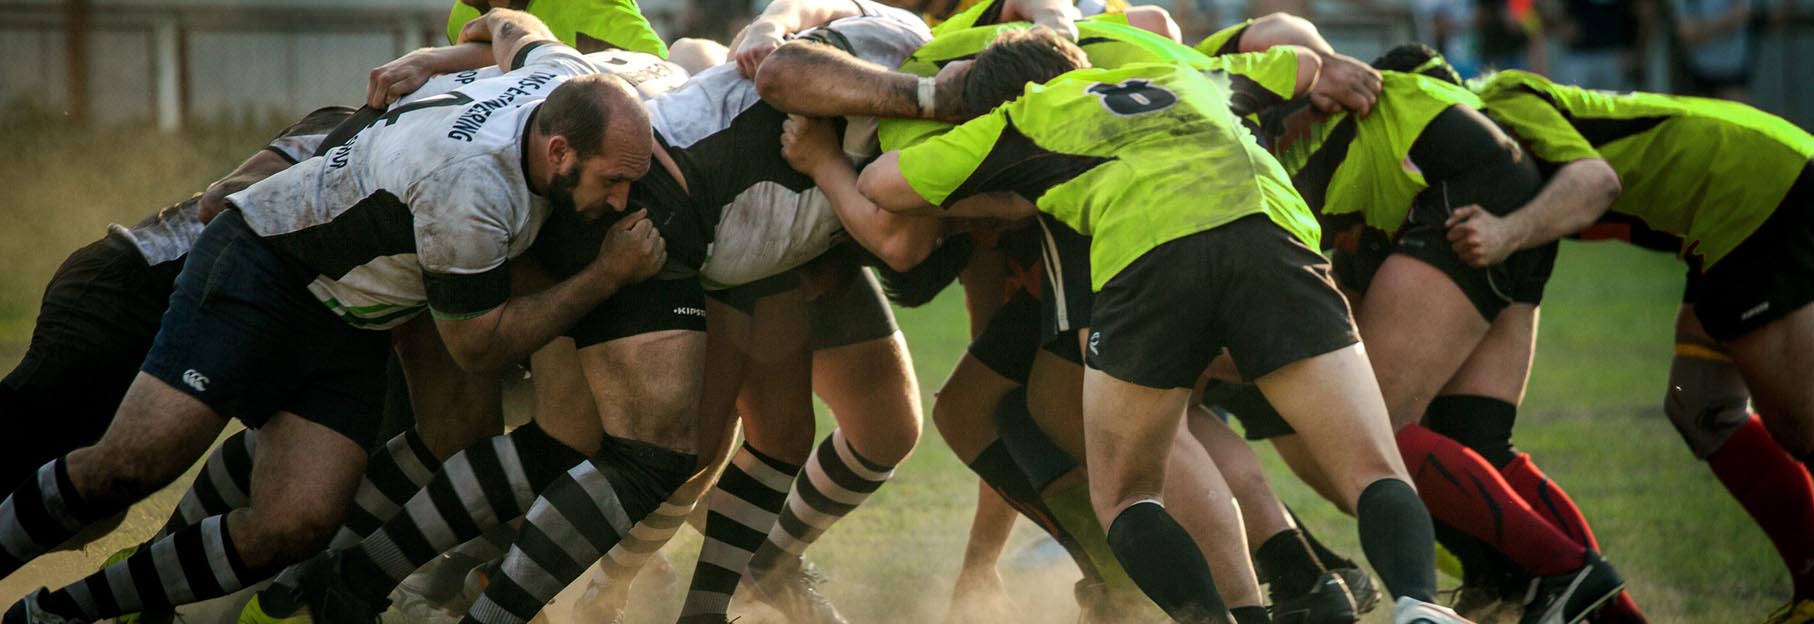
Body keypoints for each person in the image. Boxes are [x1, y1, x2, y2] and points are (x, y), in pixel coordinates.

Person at [0, 8, 669, 623]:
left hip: (350, 320)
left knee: (297, 523)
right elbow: (477, 348)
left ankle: (57, 614)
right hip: (267, 267)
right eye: (611, 181)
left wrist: (432, 59)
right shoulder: (469, 190)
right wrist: (606, 275)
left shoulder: (563, 73)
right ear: (558, 152)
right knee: (134, 463)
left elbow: (509, 21)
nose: (620, 199)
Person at [855, 28, 1462, 624]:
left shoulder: (1020, 118)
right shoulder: (1185, 73)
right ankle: (1419, 605)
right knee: (1374, 469)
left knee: (1126, 495)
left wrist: (991, 175)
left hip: (1148, 265)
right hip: (1268, 243)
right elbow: (1300, 63)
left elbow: (881, 185)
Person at [1457, 66, 1814, 624]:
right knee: (1697, 404)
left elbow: (1596, 182)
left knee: (1801, 425)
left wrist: (1505, 234)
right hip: (1718, 219)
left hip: (1751, 193)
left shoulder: (1500, 97)